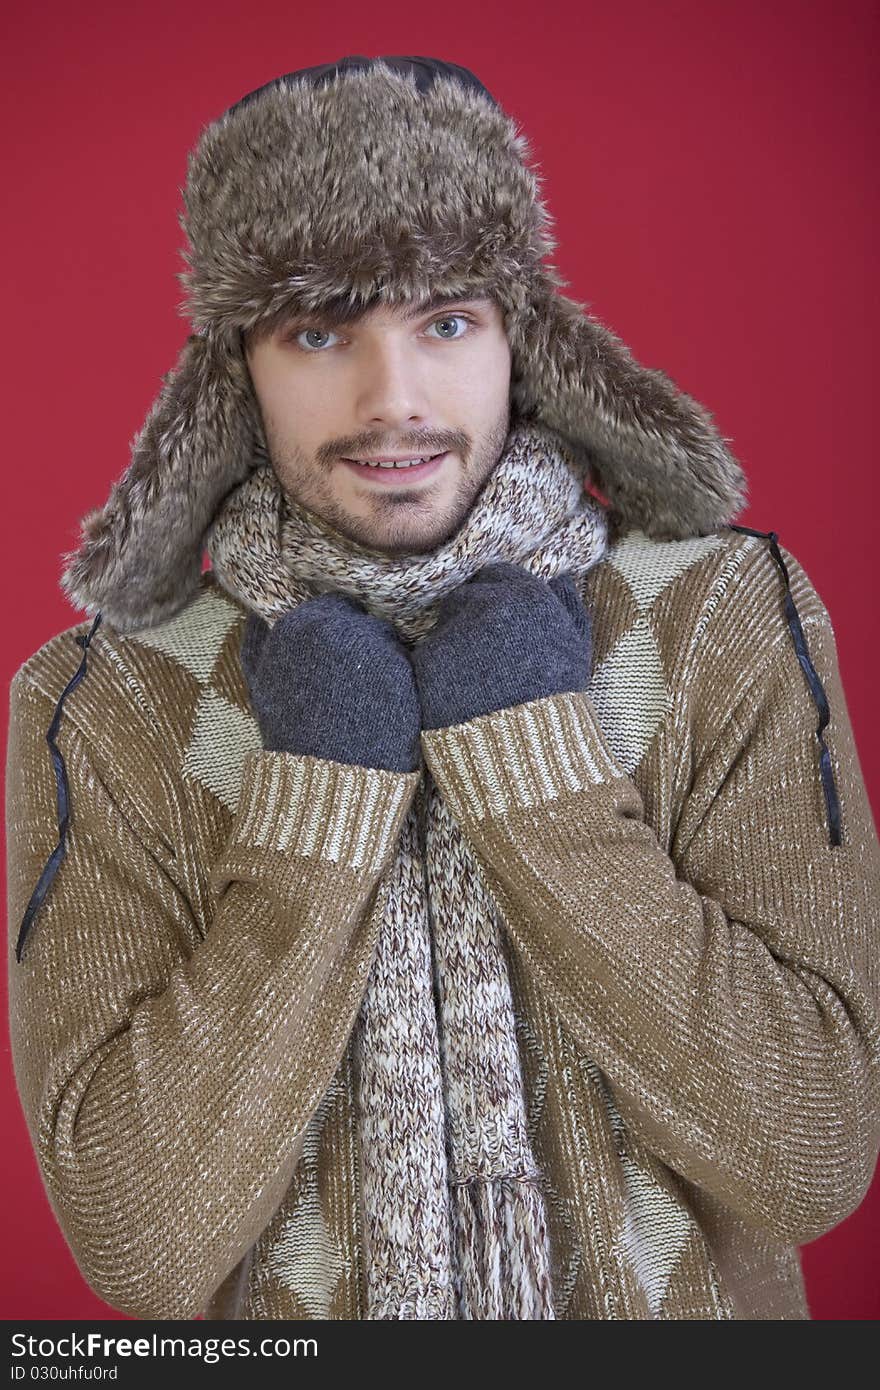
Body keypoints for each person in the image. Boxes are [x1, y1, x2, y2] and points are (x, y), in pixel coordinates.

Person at [6, 54, 880, 1322]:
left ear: (524, 336)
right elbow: (139, 1246)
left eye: (445, 321)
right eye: (318, 331)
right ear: (233, 369)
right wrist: (322, 795)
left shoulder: (718, 617)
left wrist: (535, 768)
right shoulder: (107, 700)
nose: (392, 398)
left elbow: (809, 1152)